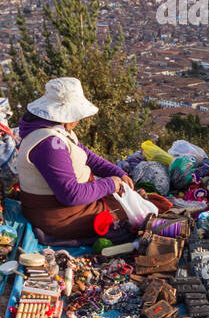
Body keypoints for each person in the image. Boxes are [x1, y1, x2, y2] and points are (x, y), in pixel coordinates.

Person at [14, 77, 133, 240]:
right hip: (60, 216)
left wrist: (118, 173)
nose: (79, 119)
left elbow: (88, 157)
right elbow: (70, 194)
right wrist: (111, 183)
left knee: (133, 199)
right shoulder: (49, 144)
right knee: (137, 212)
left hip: (67, 206)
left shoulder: (56, 131)